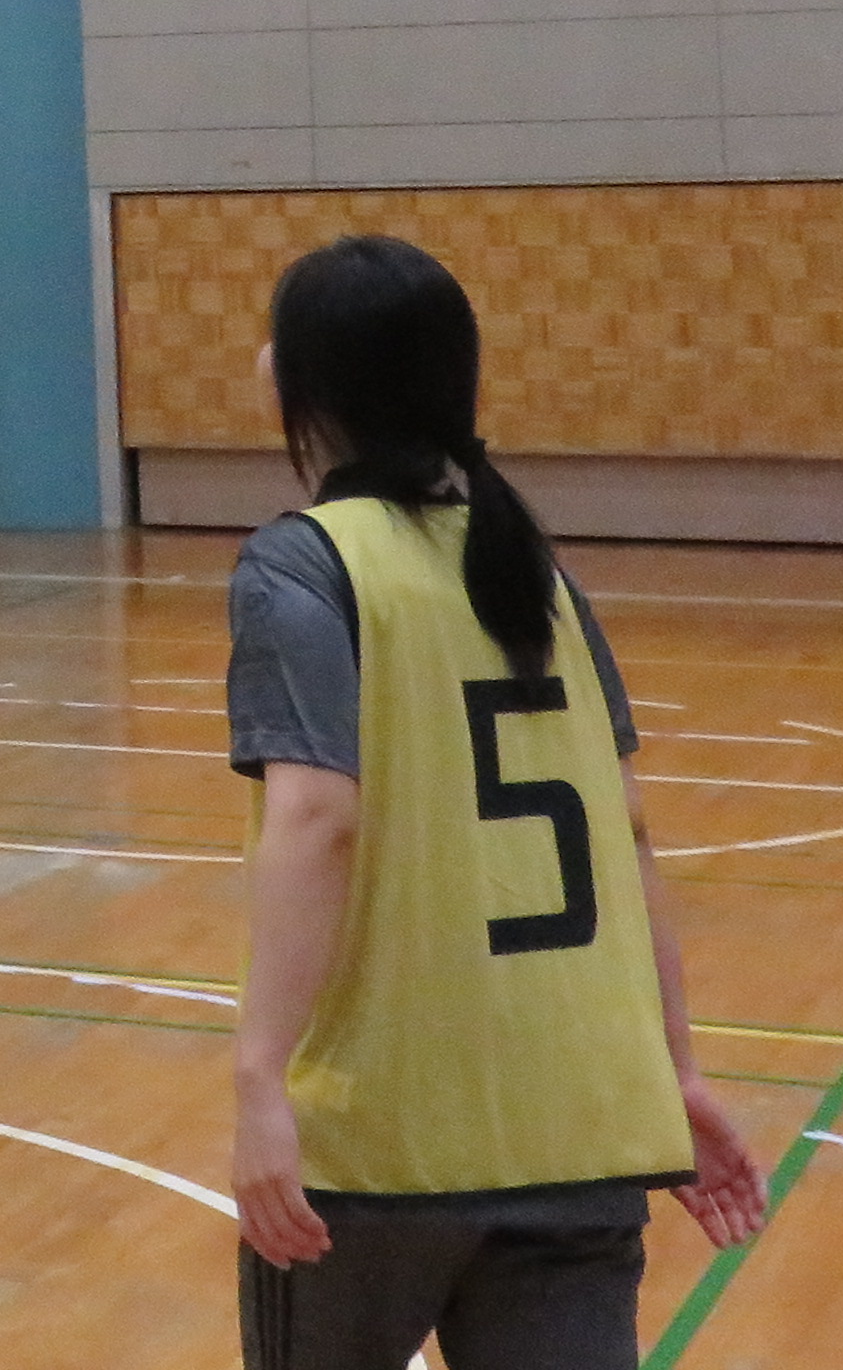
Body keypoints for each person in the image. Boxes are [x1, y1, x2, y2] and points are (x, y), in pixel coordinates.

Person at [223, 235, 764, 1370]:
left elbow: (318, 818)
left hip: (385, 1140)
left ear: (310, 386)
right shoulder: (540, 575)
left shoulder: (304, 565)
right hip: (582, 1127)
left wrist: (260, 1074)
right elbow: (629, 839)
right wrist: (675, 1069)